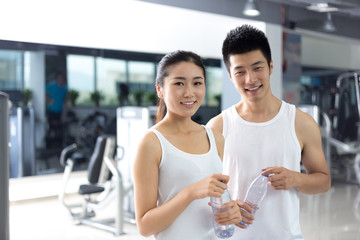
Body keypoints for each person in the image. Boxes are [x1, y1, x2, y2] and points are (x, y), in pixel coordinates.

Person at [207, 25, 331, 239]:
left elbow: (323, 181)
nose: (250, 79)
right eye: (240, 72)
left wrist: (296, 179)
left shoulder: (301, 123)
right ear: (229, 75)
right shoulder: (217, 127)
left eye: (257, 68)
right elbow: (204, 189)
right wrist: (224, 205)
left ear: (271, 66)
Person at [133, 50, 241, 239]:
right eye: (179, 83)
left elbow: (221, 198)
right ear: (160, 89)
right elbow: (145, 226)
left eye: (197, 83)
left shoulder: (215, 138)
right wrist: (190, 192)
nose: (189, 93)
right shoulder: (151, 143)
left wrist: (232, 210)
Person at [46, 71, 68, 144]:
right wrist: (49, 100)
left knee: (59, 128)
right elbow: (45, 94)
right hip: (52, 110)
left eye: (62, 79)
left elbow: (65, 100)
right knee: (52, 128)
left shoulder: (64, 88)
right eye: (60, 79)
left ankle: (58, 145)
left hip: (60, 111)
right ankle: (50, 144)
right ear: (58, 79)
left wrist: (64, 114)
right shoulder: (52, 86)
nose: (61, 80)